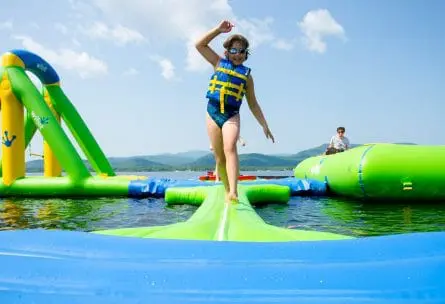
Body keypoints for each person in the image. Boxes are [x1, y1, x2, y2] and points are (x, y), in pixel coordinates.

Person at [196, 20, 274, 203]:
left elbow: (253, 104)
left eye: (241, 51)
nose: (237, 54)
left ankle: (234, 191)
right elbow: (199, 45)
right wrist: (218, 30)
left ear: (246, 54)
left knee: (230, 147)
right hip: (212, 112)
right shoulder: (217, 62)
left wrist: (264, 125)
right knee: (219, 157)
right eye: (233, 50)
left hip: (231, 115)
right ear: (226, 52)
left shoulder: (247, 77)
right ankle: (226, 190)